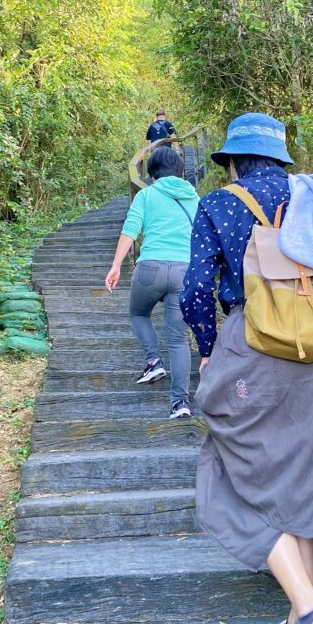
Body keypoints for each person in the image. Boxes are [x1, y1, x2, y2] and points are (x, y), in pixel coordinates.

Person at [180, 113, 313, 624]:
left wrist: (210, 351)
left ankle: (311, 609)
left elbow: (193, 293)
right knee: (308, 474)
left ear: (234, 161)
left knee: (229, 474)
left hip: (260, 351)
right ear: (283, 160)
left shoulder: (219, 205)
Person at [105, 146, 199, 419]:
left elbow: (130, 230)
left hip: (151, 267)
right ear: (180, 170)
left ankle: (154, 361)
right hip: (184, 271)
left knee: (138, 312)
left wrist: (115, 266)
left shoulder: (146, 194)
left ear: (152, 171)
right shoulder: (195, 198)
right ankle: (180, 403)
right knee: (179, 339)